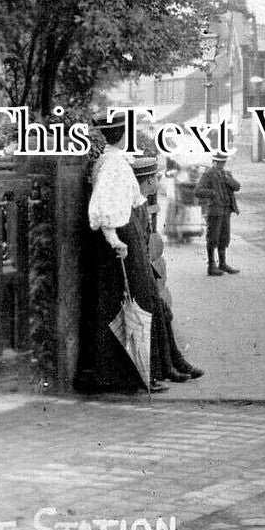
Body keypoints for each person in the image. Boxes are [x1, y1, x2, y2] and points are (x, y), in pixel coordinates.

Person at [75, 115, 169, 394]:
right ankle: (126, 375)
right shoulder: (113, 163)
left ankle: (129, 374)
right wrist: (114, 239)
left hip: (125, 236)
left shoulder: (112, 160)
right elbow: (102, 205)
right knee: (132, 304)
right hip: (121, 239)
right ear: (122, 135)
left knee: (128, 304)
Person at [133, 157, 204, 383]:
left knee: (163, 310)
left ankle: (175, 363)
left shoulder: (140, 203)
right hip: (137, 276)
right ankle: (169, 367)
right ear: (149, 182)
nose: (157, 181)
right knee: (159, 310)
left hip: (143, 273)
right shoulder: (134, 206)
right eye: (154, 177)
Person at [194, 150, 241, 276]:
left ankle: (223, 264)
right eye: (218, 162)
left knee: (224, 238)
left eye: (223, 162)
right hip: (214, 210)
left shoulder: (226, 174)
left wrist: (228, 180)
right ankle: (211, 266)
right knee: (213, 238)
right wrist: (212, 193)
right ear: (213, 162)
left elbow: (237, 187)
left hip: (226, 210)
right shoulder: (208, 174)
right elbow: (198, 191)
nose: (221, 165)